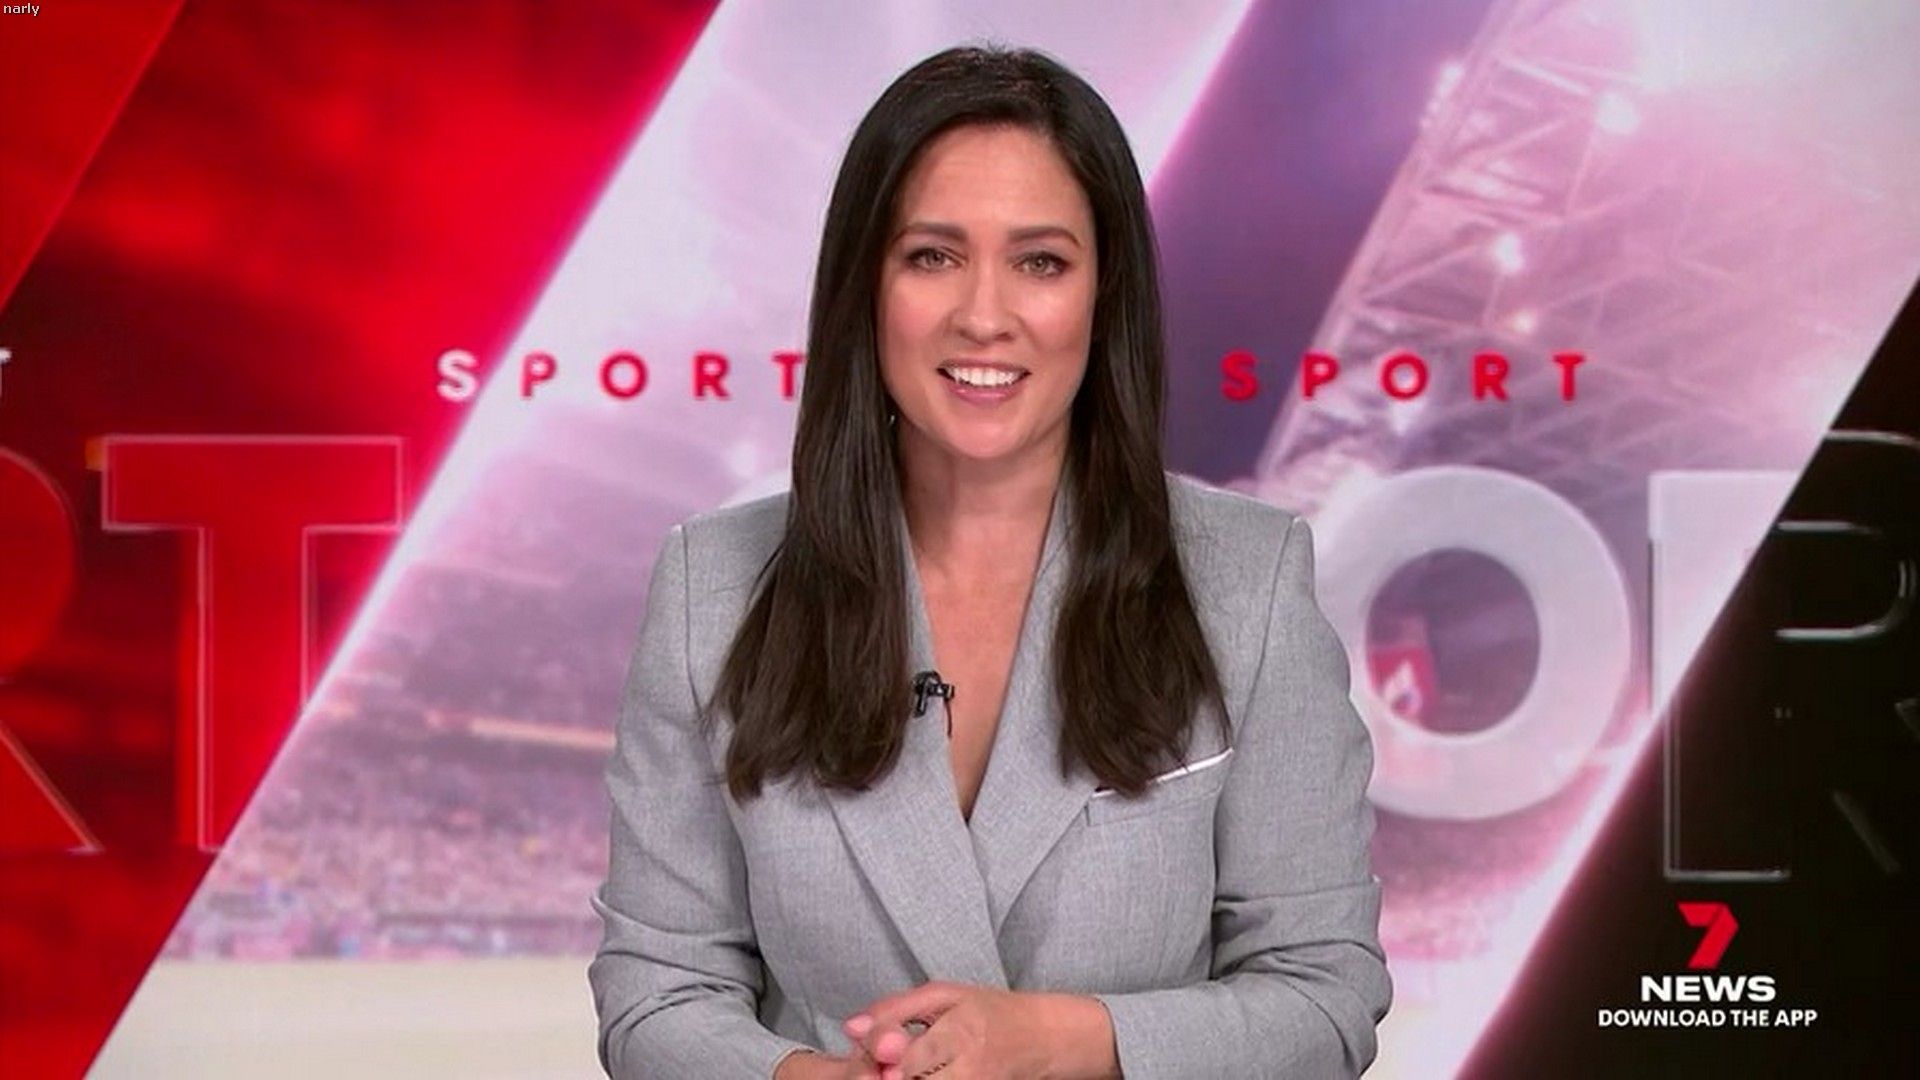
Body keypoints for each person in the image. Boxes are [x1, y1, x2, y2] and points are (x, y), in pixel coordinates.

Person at [589, 43, 1391, 1079]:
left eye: (1040, 262)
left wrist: (1060, 1043)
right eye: (932, 256)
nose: (983, 315)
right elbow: (658, 988)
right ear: (865, 287)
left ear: (1103, 296)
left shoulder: (1249, 580)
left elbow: (1324, 996)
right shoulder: (714, 587)